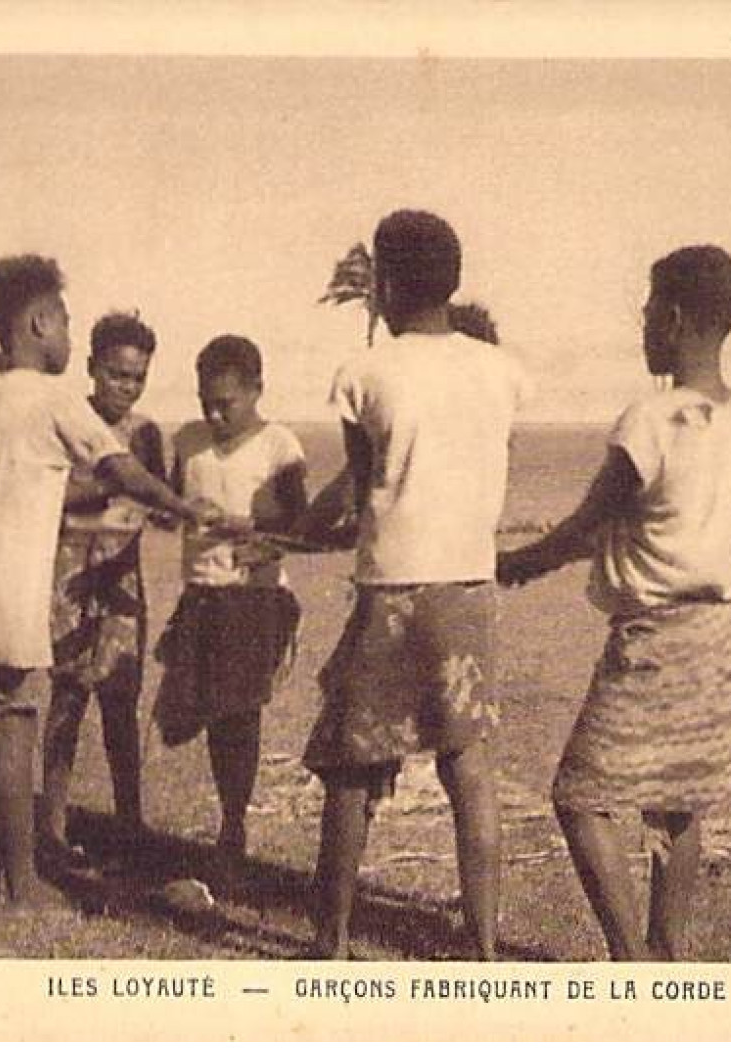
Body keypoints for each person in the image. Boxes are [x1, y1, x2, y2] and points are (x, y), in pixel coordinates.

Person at [497, 245, 731, 961]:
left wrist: (516, 564)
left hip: (654, 636)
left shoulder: (648, 421)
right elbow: (667, 527)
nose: (642, 322)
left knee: (578, 797)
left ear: (674, 319)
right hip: (717, 633)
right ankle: (665, 950)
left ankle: (631, 959)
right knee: (677, 801)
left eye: (648, 308)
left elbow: (590, 526)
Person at [0, 255, 217, 910]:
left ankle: (2, 867)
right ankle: (24, 883)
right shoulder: (52, 398)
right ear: (38, 321)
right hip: (7, 586)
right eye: (63, 318)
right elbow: (123, 473)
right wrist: (186, 507)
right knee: (15, 722)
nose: (67, 330)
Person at [297, 210, 531, 960]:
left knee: (351, 769)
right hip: (468, 586)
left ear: (386, 285)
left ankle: (330, 943)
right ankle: (485, 946)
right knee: (468, 767)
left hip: (392, 585)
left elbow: (366, 492)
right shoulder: (503, 371)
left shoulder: (364, 374)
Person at [152, 334, 307, 882]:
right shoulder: (187, 442)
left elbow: (298, 525)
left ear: (257, 390)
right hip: (200, 595)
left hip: (254, 599)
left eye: (227, 403)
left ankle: (233, 824)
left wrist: (246, 528)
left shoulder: (280, 446)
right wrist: (178, 511)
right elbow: (168, 512)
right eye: (206, 402)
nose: (215, 415)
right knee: (197, 715)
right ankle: (228, 816)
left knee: (238, 715)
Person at [39, 312, 165, 862]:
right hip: (66, 579)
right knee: (66, 700)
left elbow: (154, 504)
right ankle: (52, 824)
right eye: (116, 375)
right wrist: (104, 487)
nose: (127, 387)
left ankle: (130, 824)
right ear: (92, 368)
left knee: (121, 704)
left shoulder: (146, 434)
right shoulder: (65, 422)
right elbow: (50, 498)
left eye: (137, 378)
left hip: (121, 583)